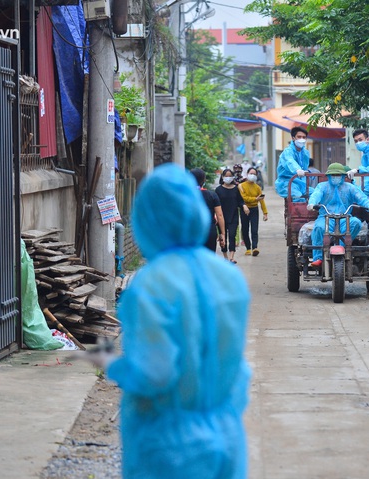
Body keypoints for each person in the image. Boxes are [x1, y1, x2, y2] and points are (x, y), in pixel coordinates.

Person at [102, 164, 252, 479]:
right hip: (226, 433)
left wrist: (115, 366)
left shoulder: (150, 285)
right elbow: (237, 368)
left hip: (168, 445)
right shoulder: (229, 278)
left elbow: (154, 373)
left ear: (148, 219)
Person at [307, 162, 369, 268]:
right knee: (318, 228)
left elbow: (362, 198)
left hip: (345, 218)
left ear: (343, 176)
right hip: (326, 217)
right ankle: (318, 258)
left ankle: (343, 247)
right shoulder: (322, 187)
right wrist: (312, 203)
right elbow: (316, 195)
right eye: (333, 175)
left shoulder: (350, 188)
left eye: (338, 175)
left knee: (356, 223)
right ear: (328, 176)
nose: (336, 177)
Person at [216, 168, 249, 263]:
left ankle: (231, 257)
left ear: (233, 177)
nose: (228, 178)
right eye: (226, 176)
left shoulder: (235, 188)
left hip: (233, 216)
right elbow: (215, 204)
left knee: (232, 235)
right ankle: (225, 256)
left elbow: (240, 201)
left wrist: (244, 206)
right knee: (223, 236)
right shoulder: (218, 190)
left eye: (230, 176)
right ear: (222, 177)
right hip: (221, 217)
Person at [190, 168, 226, 253]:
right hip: (209, 231)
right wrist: (222, 234)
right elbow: (219, 215)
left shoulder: (185, 195)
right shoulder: (212, 195)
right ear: (204, 180)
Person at [274, 126, 313, 201]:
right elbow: (290, 161)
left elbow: (304, 167)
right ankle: (301, 212)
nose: (301, 139)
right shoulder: (288, 152)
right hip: (287, 183)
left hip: (301, 183)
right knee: (298, 198)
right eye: (299, 137)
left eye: (304, 137)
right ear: (293, 138)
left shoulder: (305, 153)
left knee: (316, 194)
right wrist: (297, 170)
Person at [239, 167, 268, 256]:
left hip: (254, 209)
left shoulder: (257, 188)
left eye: (254, 174)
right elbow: (244, 198)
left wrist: (265, 213)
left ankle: (255, 247)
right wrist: (255, 199)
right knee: (245, 229)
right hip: (244, 209)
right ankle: (248, 248)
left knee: (254, 230)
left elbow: (261, 200)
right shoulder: (241, 186)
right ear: (247, 174)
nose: (252, 175)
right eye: (251, 173)